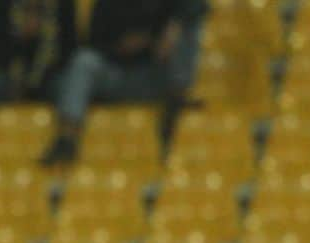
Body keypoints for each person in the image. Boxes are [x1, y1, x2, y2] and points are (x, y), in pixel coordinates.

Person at [37, 0, 207, 165]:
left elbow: (198, 6)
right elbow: (92, 42)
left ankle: (178, 98)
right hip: (115, 73)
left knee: (189, 28)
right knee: (84, 62)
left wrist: (173, 27)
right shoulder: (107, 3)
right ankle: (67, 138)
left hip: (154, 77)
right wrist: (121, 47)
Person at [0, 0, 79, 129]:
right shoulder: (1, 3)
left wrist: (41, 67)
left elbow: (70, 49)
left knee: (65, 86)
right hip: (11, 70)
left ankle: (63, 138)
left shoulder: (63, 3)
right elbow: (0, 54)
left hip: (51, 72)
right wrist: (24, 39)